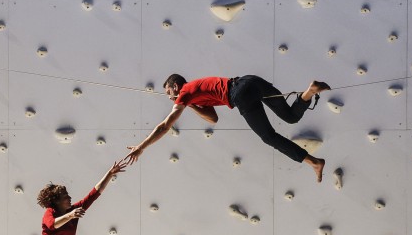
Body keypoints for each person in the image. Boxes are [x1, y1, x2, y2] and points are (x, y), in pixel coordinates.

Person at [126, 74, 330, 182]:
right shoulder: (195, 93)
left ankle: (313, 162)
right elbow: (213, 119)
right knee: (290, 116)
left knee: (268, 137)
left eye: (169, 92)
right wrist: (191, 105)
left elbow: (165, 125)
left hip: (240, 93)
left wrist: (142, 146)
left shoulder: (185, 92)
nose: (170, 97)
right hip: (251, 81)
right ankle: (311, 90)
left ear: (176, 86)